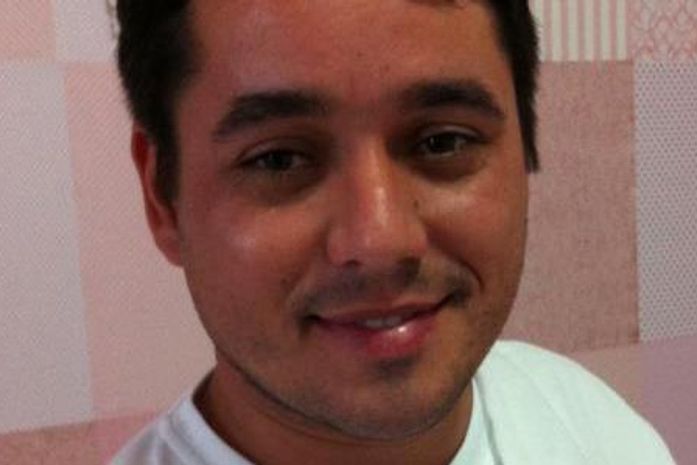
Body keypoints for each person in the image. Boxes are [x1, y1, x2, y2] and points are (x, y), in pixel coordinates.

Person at [111, 0, 675, 464]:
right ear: (162, 197)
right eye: (279, 159)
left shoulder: (594, 429)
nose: (380, 240)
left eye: (443, 142)